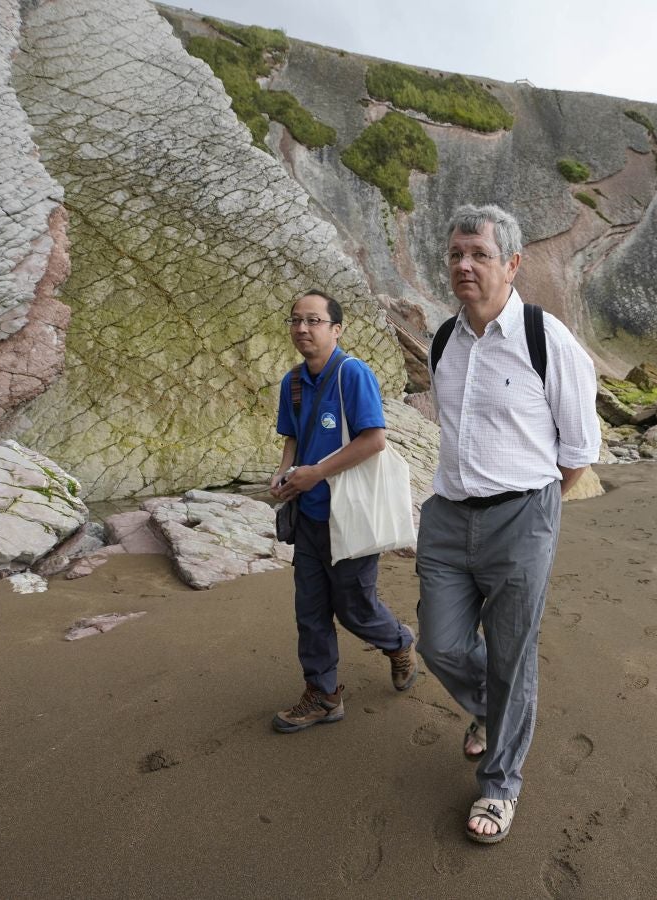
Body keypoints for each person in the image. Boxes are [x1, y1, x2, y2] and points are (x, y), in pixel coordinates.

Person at [417, 204, 600, 844]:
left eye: (480, 255)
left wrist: (532, 508)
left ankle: (500, 784)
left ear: (512, 264)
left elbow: (577, 451)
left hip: (522, 517)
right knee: (437, 644)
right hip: (445, 515)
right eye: (456, 254)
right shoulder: (443, 338)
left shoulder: (547, 339)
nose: (465, 265)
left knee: (514, 657)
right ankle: (492, 711)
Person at [269, 290, 417, 733]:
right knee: (310, 610)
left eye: (314, 321)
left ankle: (398, 641)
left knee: (354, 607)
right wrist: (284, 475)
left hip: (350, 516)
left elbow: (374, 439)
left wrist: (315, 473)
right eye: (296, 320)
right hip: (311, 518)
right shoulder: (292, 382)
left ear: (336, 329)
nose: (302, 329)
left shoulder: (352, 375)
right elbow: (292, 438)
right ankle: (324, 695)